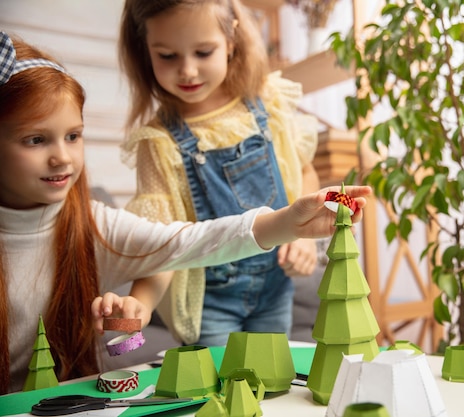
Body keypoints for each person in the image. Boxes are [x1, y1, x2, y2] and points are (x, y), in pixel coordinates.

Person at [0, 31, 370, 394]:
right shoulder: (159, 143)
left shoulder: (93, 224)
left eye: (73, 136)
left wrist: (289, 222)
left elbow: (189, 240)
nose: (62, 157)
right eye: (36, 139)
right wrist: (140, 310)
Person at [118, 0, 322, 347]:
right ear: (145, 50)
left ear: (231, 41)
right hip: (209, 304)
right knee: (221, 391)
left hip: (275, 290)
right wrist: (141, 302)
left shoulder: (268, 103)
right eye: (167, 56)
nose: (188, 71)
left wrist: (304, 237)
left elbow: (305, 174)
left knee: (273, 384)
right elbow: (162, 243)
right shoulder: (159, 141)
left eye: (203, 52)